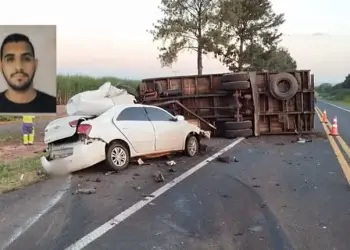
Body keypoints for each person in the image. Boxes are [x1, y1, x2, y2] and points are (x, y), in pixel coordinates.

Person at [0, 33, 56, 113]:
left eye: (26, 59)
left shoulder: (53, 106)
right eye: (10, 59)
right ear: (1, 66)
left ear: (35, 64)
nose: (19, 67)